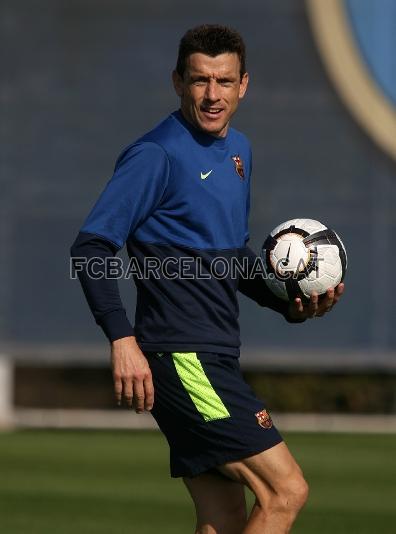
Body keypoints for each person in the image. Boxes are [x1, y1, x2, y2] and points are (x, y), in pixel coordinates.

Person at [71, 24, 344, 534]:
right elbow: (91, 247)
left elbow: (231, 257)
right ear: (178, 82)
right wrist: (121, 337)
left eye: (224, 81)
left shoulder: (239, 149)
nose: (212, 95)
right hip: (183, 355)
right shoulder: (156, 154)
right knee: (285, 490)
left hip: (215, 351)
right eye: (199, 81)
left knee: (222, 517)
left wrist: (285, 301)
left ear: (244, 85)